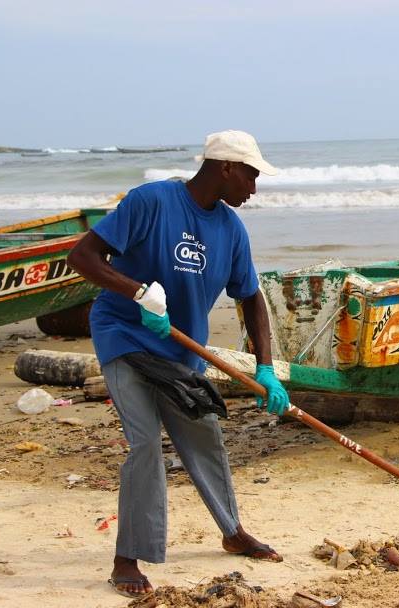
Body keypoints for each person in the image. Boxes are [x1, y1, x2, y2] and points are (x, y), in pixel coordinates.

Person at [68, 130, 291, 598]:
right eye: (251, 175)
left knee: (203, 433)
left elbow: (251, 299)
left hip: (181, 351)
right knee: (145, 443)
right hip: (124, 337)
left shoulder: (231, 229)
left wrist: (265, 367)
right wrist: (136, 292)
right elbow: (82, 256)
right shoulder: (152, 201)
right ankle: (126, 558)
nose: (254, 188)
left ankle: (232, 531)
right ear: (226, 167)